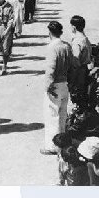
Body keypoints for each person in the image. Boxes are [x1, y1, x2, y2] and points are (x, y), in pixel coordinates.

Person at [41, 21, 73, 155]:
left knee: (51, 116)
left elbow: (50, 69)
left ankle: (52, 146)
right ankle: (62, 143)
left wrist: (47, 86)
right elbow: (72, 65)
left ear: (50, 33)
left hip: (54, 85)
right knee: (62, 115)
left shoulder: (52, 47)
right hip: (65, 83)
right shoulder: (66, 46)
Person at [69, 15, 92, 94]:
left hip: (79, 72)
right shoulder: (85, 38)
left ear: (74, 27)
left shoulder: (77, 41)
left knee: (77, 94)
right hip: (85, 69)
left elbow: (76, 60)